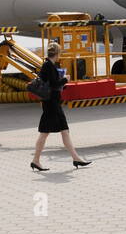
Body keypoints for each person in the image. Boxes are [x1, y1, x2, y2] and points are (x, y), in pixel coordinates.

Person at [31, 42, 91, 171]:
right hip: (52, 104)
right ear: (57, 53)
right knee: (48, 132)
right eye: (59, 54)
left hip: (52, 103)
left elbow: (52, 84)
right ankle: (37, 160)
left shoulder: (49, 65)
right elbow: (53, 84)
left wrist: (62, 83)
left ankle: (75, 158)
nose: (60, 56)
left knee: (59, 131)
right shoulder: (49, 66)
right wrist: (65, 79)